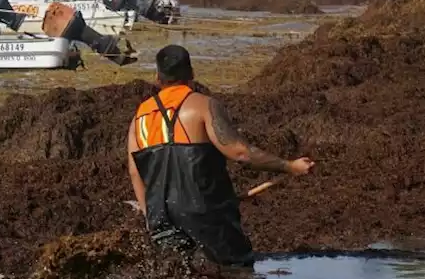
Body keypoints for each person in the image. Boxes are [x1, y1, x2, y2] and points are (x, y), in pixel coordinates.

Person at [127, 45, 315, 267]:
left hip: (161, 217)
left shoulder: (140, 116)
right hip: (206, 217)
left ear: (157, 77)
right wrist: (289, 166)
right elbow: (240, 153)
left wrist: (151, 217)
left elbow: (134, 171)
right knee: (236, 275)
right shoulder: (204, 105)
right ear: (192, 74)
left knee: (177, 278)